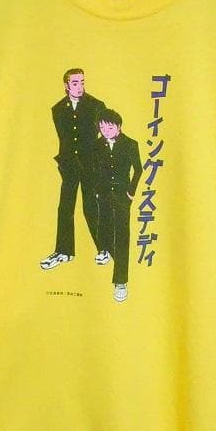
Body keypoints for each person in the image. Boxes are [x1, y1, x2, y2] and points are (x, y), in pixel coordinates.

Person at [40, 68, 109, 270]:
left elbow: (106, 137)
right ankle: (64, 251)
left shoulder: (96, 106)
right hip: (69, 166)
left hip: (91, 165)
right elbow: (65, 139)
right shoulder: (58, 109)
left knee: (91, 206)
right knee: (65, 207)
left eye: (82, 82)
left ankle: (104, 249)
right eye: (75, 83)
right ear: (67, 85)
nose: (80, 87)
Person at [92, 108, 143, 302]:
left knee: (122, 236)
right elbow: (93, 168)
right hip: (103, 192)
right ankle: (104, 249)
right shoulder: (97, 145)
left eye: (110, 127)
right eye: (102, 128)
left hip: (123, 195)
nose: (105, 131)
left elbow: (138, 170)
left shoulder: (131, 144)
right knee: (103, 223)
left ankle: (120, 282)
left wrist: (131, 192)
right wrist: (97, 189)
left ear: (119, 127)